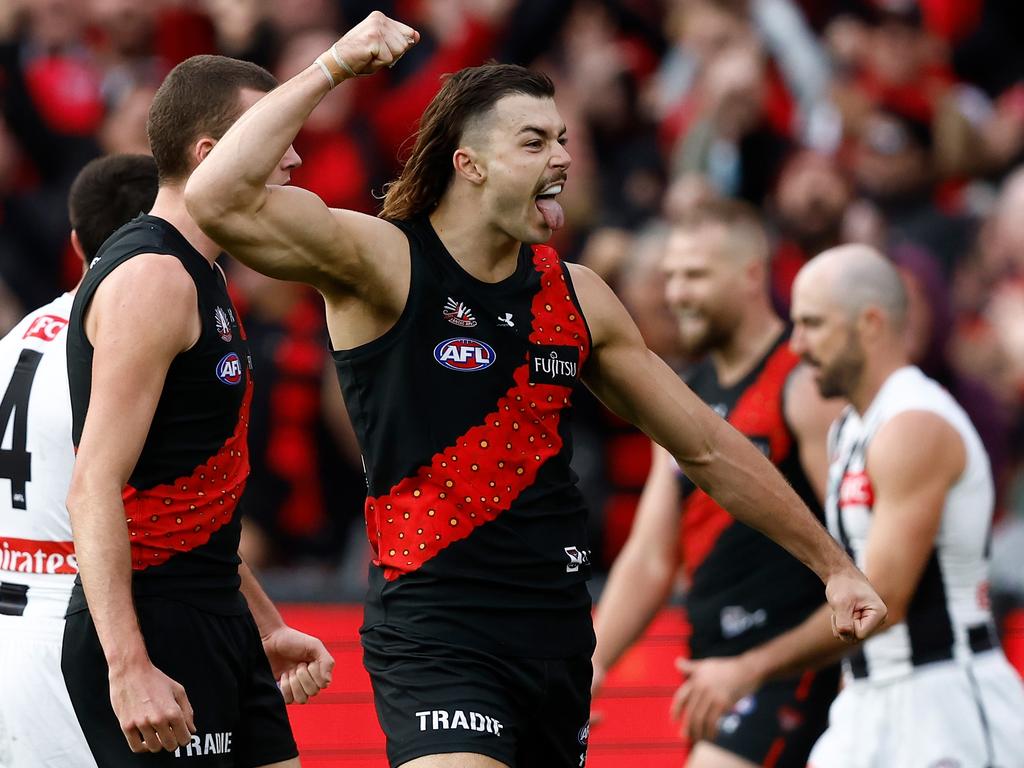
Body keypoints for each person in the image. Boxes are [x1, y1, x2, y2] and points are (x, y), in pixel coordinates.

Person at [184, 12, 885, 768]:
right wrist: (335, 66)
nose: (561, 157)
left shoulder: (576, 294)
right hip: (436, 626)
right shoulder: (383, 262)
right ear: (469, 164)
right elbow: (217, 196)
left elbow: (709, 448)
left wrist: (834, 567)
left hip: (555, 631)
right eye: (534, 141)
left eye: (563, 141)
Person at [62, 56, 335, 766]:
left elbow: (190, 490)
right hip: (153, 625)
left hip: (216, 615)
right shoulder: (154, 275)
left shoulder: (203, 268)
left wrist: (264, 622)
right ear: (212, 155)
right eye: (276, 136)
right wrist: (128, 666)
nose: (297, 156)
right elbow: (93, 483)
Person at [672, 245, 1024, 767]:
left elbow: (877, 600)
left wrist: (749, 667)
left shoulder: (914, 424)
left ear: (871, 324)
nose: (797, 344)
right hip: (869, 700)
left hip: (943, 701)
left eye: (813, 324)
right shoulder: (852, 427)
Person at [592, 199, 842, 768]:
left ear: (752, 275)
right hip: (715, 670)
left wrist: (761, 666)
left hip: (790, 670)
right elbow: (653, 558)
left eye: (696, 276)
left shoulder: (803, 384)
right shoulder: (681, 392)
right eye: (671, 276)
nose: (677, 293)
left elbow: (859, 551)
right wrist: (593, 666)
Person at [0, 153, 157, 768]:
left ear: (75, 241)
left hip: (12, 625)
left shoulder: (16, 339)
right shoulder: (129, 342)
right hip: (89, 625)